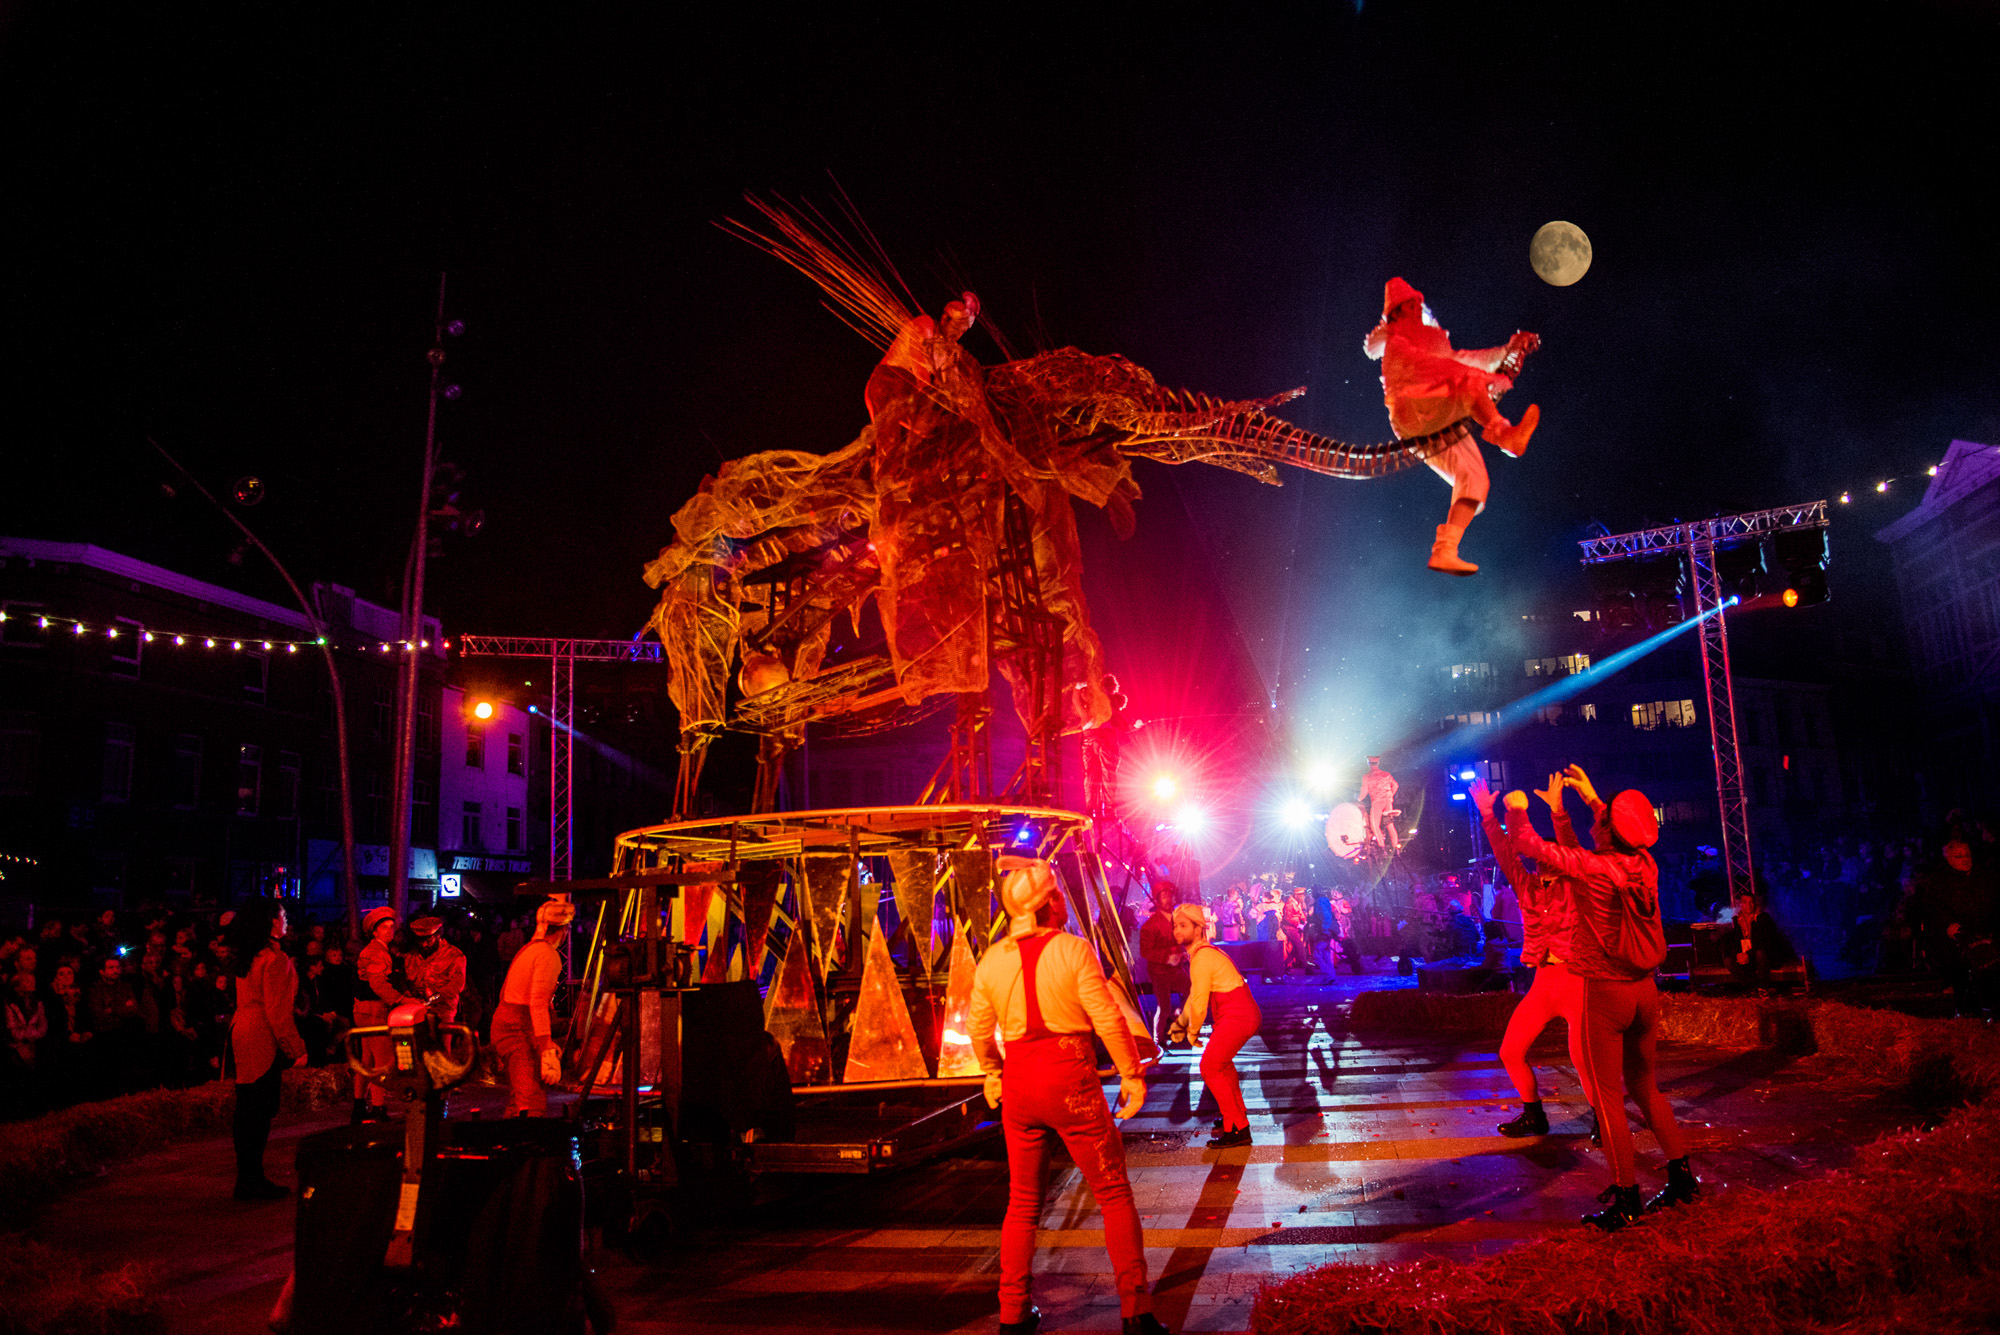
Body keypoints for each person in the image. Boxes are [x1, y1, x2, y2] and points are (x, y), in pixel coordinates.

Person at [969, 857, 1167, 1335]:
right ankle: (1135, 1312)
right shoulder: (1074, 950)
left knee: (1021, 1204)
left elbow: (978, 1028)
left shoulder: (993, 959)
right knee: (1113, 1193)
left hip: (1019, 1087)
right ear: (1048, 903)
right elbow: (1107, 1019)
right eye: (1057, 896)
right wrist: (1131, 1075)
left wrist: (992, 1073)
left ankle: (1013, 1316)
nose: (1063, 902)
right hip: (1071, 1082)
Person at [1502, 765, 1698, 1230]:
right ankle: (1683, 1179)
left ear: (1609, 829)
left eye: (1603, 817)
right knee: (1647, 1088)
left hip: (1605, 993)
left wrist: (1516, 812)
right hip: (1645, 991)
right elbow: (1605, 840)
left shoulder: (1595, 870)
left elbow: (1536, 848)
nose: (1599, 821)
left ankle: (1627, 1197)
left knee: (1608, 1099)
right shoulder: (1645, 863)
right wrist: (1588, 802)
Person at [1362, 277, 1540, 575]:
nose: (1421, 309)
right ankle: (1504, 434)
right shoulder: (1398, 341)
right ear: (1405, 307)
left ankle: (1445, 550)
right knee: (1470, 384)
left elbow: (1460, 360)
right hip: (1414, 411)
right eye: (1416, 305)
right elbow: (1432, 368)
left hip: (1434, 417)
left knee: (1474, 478)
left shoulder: (1425, 339)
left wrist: (1507, 351)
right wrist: (1483, 379)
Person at [1473, 774, 1600, 1141]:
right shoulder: (1527, 885)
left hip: (1577, 981)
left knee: (1584, 1060)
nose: (1542, 858)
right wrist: (1487, 814)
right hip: (1543, 982)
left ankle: (1601, 1119)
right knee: (1510, 1050)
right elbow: (1504, 852)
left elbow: (1572, 846)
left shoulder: (1574, 882)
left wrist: (1559, 812)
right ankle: (1534, 1115)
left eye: (1548, 854)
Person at [227, 899, 308, 1200]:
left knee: (247, 1107)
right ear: (272, 922)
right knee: (258, 1110)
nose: (287, 920)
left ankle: (247, 1177)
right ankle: (252, 1180)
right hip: (261, 1034)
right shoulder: (274, 960)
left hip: (242, 1030)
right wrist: (295, 1048)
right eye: (283, 916)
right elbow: (277, 1012)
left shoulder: (250, 956)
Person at [1168, 902, 1262, 1149]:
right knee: (1221, 1066)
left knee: (1210, 1066)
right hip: (1237, 1015)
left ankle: (1239, 1127)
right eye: (1175, 926)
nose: (1177, 931)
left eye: (1183, 925)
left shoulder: (1203, 957)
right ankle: (1233, 1119)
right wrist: (1181, 1025)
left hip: (1238, 1017)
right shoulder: (1204, 954)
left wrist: (1191, 1031)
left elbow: (1199, 1002)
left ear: (1199, 928)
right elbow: (1195, 998)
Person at [491, 897, 573, 1117]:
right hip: (516, 1029)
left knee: (519, 1097)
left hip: (509, 1025)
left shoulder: (529, 949)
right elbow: (537, 1003)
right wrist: (545, 1043)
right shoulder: (548, 955)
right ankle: (526, 1145)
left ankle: (507, 1143)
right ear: (563, 931)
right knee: (531, 1099)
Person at [352, 907, 413, 1120]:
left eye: (391, 927)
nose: (390, 931)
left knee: (366, 1059)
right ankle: (378, 1107)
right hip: (374, 1010)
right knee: (381, 1061)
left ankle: (359, 1105)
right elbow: (378, 984)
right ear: (374, 932)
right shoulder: (377, 952)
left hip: (363, 1009)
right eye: (384, 928)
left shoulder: (374, 950)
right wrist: (400, 999)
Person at [1137, 883, 1191, 1048]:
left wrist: (1186, 951)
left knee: (1192, 992)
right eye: (1164, 896)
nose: (1169, 899)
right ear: (1157, 900)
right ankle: (1157, 1039)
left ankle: (1179, 1019)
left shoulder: (1177, 920)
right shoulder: (1150, 925)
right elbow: (1145, 952)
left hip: (1176, 970)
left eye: (1170, 895)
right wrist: (1167, 958)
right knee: (1164, 1006)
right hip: (1159, 972)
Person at [1723, 891, 1797, 989]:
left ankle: (1763, 987)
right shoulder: (1737, 920)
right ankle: (1752, 986)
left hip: (1762, 955)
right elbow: (1735, 941)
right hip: (1746, 955)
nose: (1749, 905)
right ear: (1740, 904)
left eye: (1751, 902)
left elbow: (1765, 941)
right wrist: (1738, 954)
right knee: (1728, 960)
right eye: (1745, 902)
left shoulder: (1763, 918)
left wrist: (1748, 954)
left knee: (1760, 953)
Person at [402, 917, 467, 1023]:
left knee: (443, 1037)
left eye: (428, 940)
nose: (424, 945)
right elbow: (406, 979)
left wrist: (435, 995)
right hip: (416, 1009)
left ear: (438, 935)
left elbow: (457, 984)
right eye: (420, 941)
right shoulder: (412, 956)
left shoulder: (454, 955)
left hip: (444, 1011)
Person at [1360, 756, 1402, 852]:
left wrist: (1359, 799)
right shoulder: (1386, 774)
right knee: (1390, 825)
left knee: (1375, 826)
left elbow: (1364, 791)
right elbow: (1395, 785)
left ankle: (1382, 848)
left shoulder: (1366, 777)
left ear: (1369, 764)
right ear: (1378, 763)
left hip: (1377, 802)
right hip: (1387, 802)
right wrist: (1390, 796)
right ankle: (1396, 848)